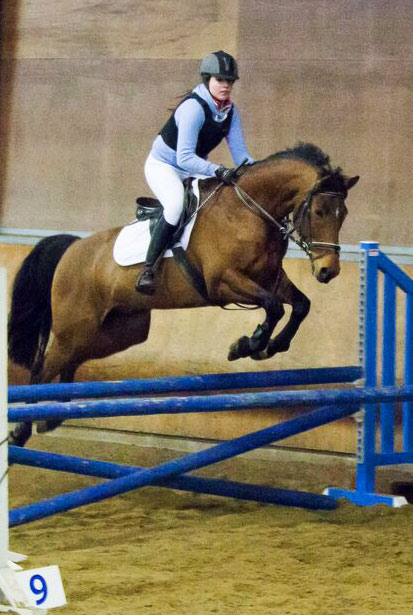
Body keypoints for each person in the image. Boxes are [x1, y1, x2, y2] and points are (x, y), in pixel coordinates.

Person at [135, 50, 254, 295]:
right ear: (207, 79)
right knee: (176, 205)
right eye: (220, 80)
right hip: (164, 166)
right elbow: (185, 157)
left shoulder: (230, 112)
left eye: (230, 81)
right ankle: (148, 269)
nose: (226, 85)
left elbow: (242, 156)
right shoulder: (193, 108)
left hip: (194, 168)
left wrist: (262, 172)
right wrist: (218, 170)